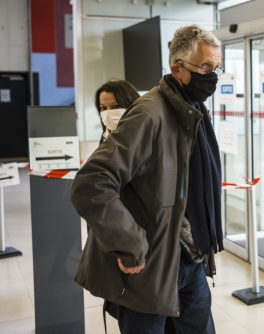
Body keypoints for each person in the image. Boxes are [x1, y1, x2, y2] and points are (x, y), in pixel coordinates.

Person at [71, 24, 224, 334]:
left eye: (216, 67)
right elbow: (92, 182)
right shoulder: (149, 114)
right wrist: (129, 244)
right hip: (149, 265)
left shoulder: (193, 111)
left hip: (189, 260)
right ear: (177, 67)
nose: (212, 75)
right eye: (206, 66)